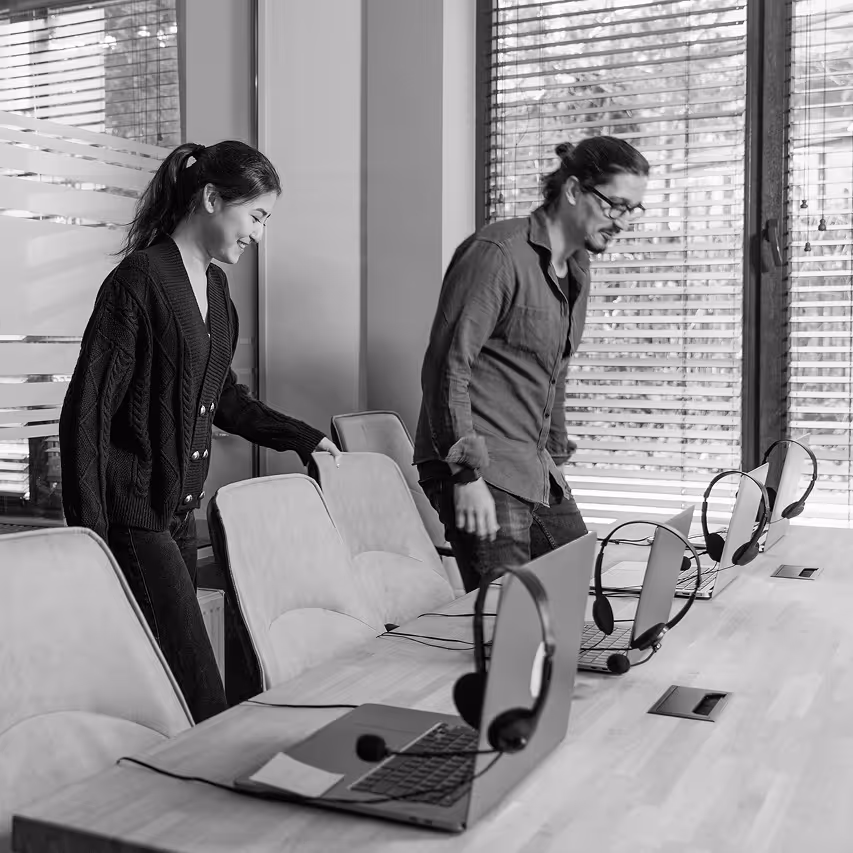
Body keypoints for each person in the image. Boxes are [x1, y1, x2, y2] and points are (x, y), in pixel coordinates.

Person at [59, 140, 341, 722]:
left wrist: (303, 438)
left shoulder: (215, 291)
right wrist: (85, 539)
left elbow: (224, 399)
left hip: (178, 516)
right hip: (132, 515)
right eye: (255, 216)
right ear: (212, 198)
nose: (258, 234)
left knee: (167, 687)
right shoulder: (138, 281)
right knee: (202, 694)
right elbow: (85, 412)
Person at [415, 135, 649, 592]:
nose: (623, 222)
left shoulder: (578, 268)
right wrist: (465, 475)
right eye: (616, 205)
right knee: (513, 622)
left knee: (574, 590)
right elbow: (448, 367)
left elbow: (554, 375)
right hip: (481, 464)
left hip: (532, 464)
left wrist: (555, 457)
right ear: (575, 190)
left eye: (632, 210)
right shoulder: (498, 253)